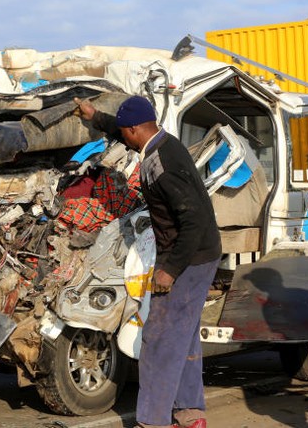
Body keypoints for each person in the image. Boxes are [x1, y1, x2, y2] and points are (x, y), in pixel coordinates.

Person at [75, 96, 221, 428]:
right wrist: (95, 116)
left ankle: (152, 421)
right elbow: (121, 127)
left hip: (189, 258)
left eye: (125, 134)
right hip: (198, 254)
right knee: (183, 335)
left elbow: (194, 221)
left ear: (135, 131)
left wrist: (169, 269)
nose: (123, 138)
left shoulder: (162, 164)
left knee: (160, 339)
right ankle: (190, 413)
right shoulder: (160, 141)